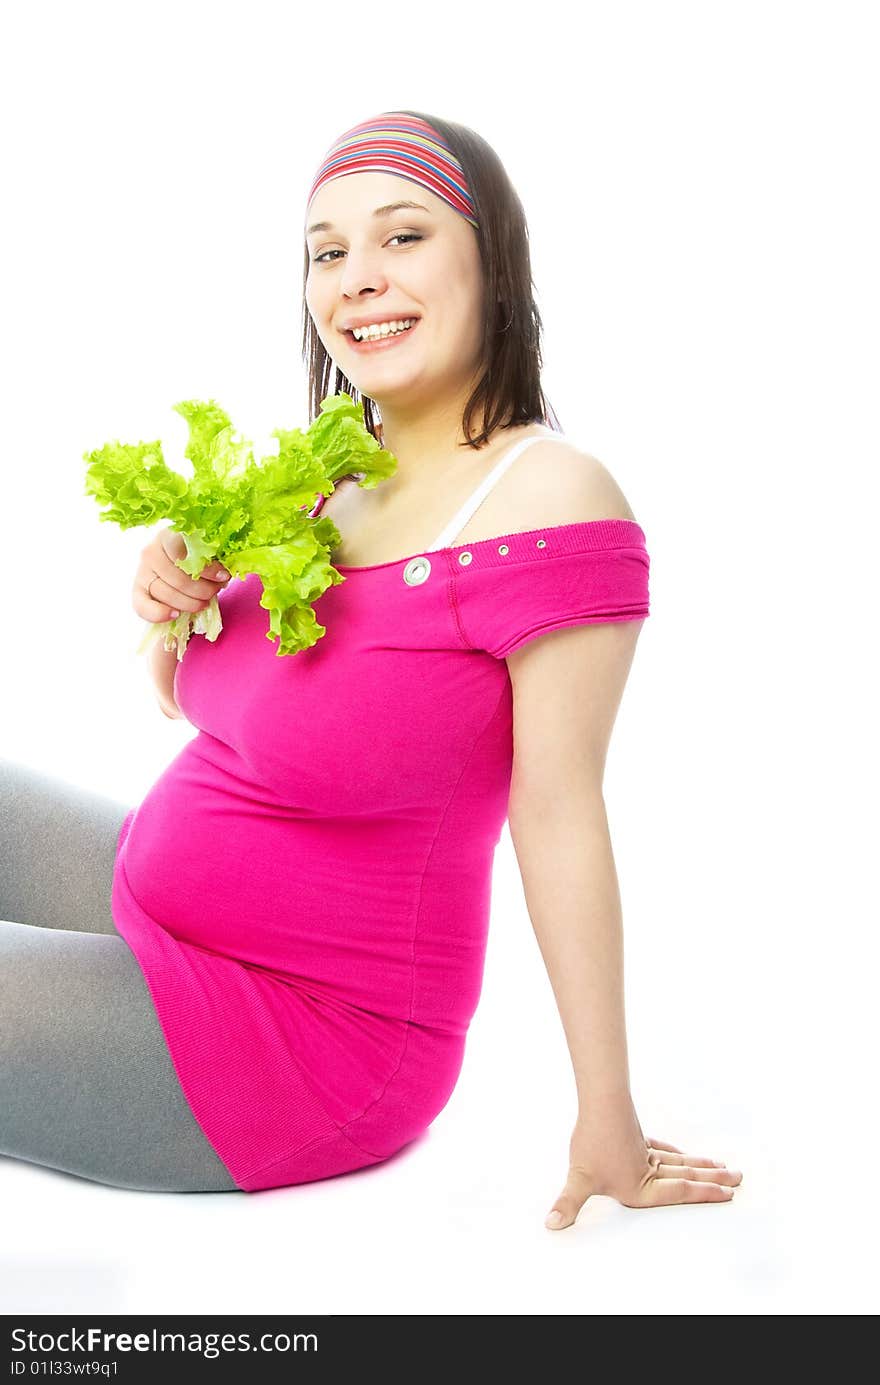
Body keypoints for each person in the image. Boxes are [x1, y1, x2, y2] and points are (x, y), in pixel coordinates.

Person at [0, 110, 741, 1225]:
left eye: (402, 236)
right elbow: (203, 706)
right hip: (157, 905)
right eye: (328, 251)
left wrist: (607, 1114)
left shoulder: (550, 500)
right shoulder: (325, 471)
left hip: (297, 1038)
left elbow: (559, 812)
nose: (359, 278)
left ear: (490, 260)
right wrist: (173, 606)